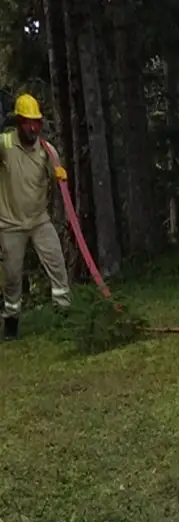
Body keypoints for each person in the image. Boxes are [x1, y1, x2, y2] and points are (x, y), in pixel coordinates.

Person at [0, 94, 71, 340]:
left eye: (37, 122)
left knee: (57, 265)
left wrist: (60, 174)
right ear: (18, 122)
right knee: (11, 276)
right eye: (28, 122)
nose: (33, 127)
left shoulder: (47, 151)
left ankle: (65, 316)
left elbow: (58, 181)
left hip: (40, 221)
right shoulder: (5, 144)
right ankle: (11, 322)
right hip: (10, 224)